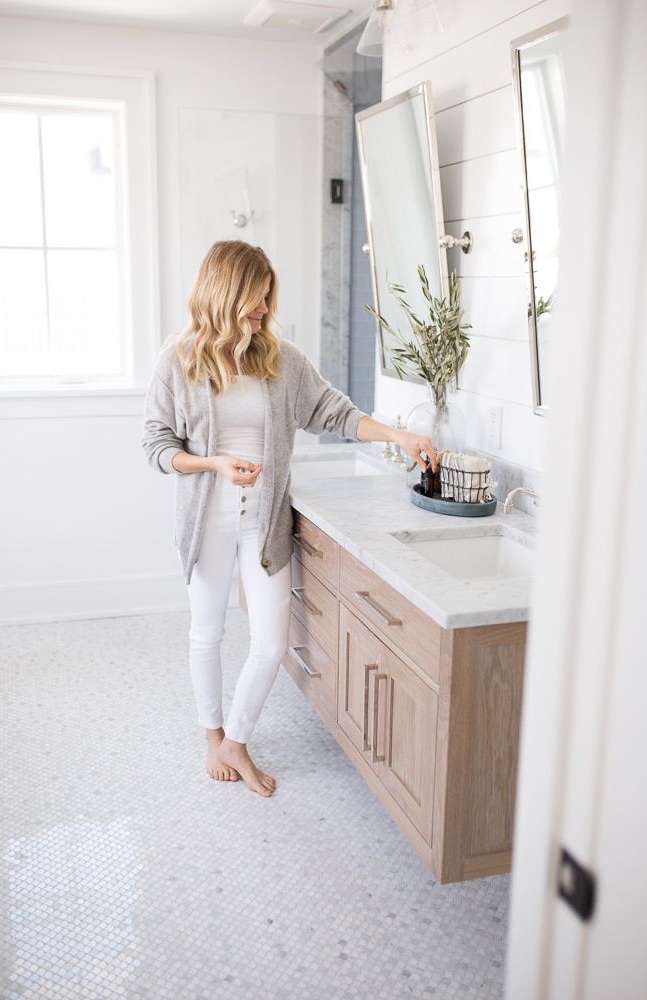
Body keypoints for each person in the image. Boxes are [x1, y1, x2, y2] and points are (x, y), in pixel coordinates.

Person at [141, 240, 436, 798]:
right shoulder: (177, 359)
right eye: (252, 301)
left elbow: (335, 413)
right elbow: (156, 447)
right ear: (221, 294)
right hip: (206, 520)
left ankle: (237, 742)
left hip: (266, 521)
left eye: (266, 301)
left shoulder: (281, 359)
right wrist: (214, 463)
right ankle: (214, 737)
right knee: (206, 632)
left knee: (270, 644)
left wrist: (399, 434)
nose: (261, 312)